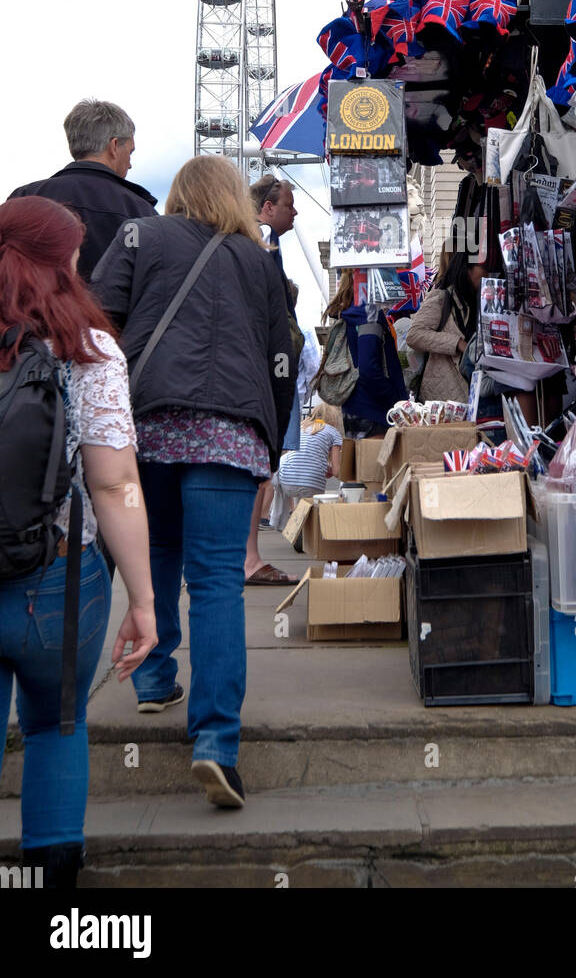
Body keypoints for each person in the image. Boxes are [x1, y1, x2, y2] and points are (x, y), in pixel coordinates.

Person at [91, 157, 293, 808]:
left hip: (147, 429)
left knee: (153, 560)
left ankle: (154, 683)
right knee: (215, 585)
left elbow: (94, 320)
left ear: (176, 194)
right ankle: (215, 746)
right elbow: (281, 359)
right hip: (230, 437)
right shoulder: (259, 264)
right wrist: (272, 439)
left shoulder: (139, 236)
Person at [0, 198, 156, 888]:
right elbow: (116, 484)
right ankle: (52, 887)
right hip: (60, 581)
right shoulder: (87, 348)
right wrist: (144, 600)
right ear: (61, 261)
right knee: (55, 728)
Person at [7, 99, 158, 281]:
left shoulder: (22, 199)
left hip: (32, 308)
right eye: (130, 152)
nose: (130, 164)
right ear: (114, 146)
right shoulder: (141, 211)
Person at [245, 174, 302, 584]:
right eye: (289, 204)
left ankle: (244, 556)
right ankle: (248, 558)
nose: (295, 211)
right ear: (268, 208)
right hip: (260, 372)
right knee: (257, 465)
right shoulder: (262, 241)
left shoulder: (257, 240)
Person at [326, 271, 407, 439]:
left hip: (356, 408)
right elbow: (369, 369)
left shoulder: (353, 313)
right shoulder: (369, 314)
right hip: (375, 413)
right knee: (375, 465)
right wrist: (396, 400)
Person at [407, 251, 485, 403]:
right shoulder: (441, 298)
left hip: (472, 396)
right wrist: (458, 343)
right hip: (443, 396)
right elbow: (414, 335)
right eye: (482, 267)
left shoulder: (478, 303)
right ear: (467, 270)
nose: (487, 272)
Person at [271, 404, 343, 528]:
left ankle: (281, 521)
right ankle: (306, 533)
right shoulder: (333, 432)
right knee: (310, 501)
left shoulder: (300, 427)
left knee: (299, 487)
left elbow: (296, 458)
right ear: (334, 419)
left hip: (286, 481)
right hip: (312, 484)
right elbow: (336, 471)